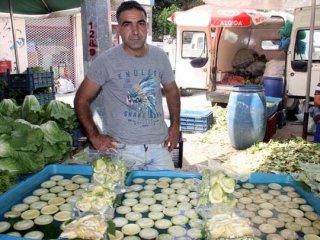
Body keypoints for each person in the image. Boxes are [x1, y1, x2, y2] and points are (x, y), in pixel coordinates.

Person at [74, 1, 181, 170]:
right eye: (127, 24)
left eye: (140, 23)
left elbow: (171, 90)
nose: (135, 31)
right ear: (119, 29)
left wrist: (175, 126)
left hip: (160, 146)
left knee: (166, 193)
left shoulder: (160, 57)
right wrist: (94, 137)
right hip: (123, 149)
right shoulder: (105, 61)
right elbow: (81, 100)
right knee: (123, 195)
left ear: (146, 26)